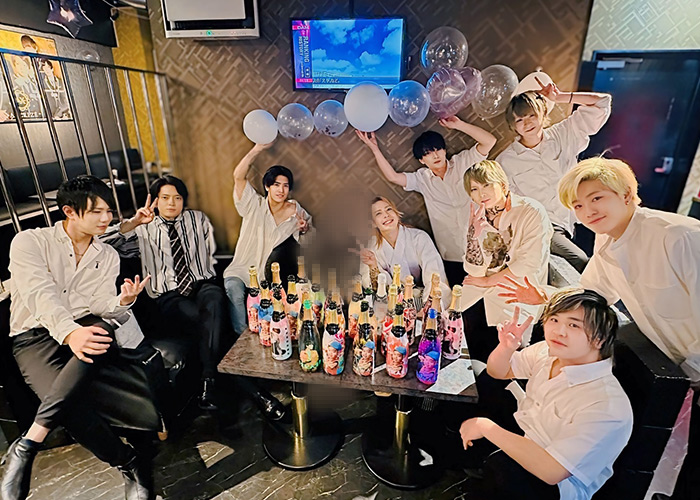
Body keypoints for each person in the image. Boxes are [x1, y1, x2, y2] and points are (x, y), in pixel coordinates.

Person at [498, 157, 700, 499]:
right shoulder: (607, 242)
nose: (587, 211)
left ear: (627, 195)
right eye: (578, 205)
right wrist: (543, 296)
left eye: (596, 198)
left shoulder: (680, 236)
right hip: (680, 374)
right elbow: (591, 294)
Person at [1, 176, 156, 500]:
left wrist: (122, 301)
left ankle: (27, 444)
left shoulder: (107, 255)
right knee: (67, 408)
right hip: (32, 336)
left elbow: (99, 304)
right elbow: (39, 294)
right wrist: (69, 332)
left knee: (102, 331)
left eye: (108, 211)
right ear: (69, 211)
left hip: (84, 323)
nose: (106, 218)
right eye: (96, 211)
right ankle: (129, 462)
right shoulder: (29, 242)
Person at [111, 175, 285, 419]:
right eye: (165, 198)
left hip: (201, 286)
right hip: (168, 296)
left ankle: (210, 383)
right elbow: (103, 242)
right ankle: (253, 393)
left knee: (214, 297)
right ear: (155, 201)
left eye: (177, 198)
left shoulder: (198, 219)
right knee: (211, 322)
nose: (172, 203)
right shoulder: (142, 230)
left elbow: (207, 258)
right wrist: (134, 222)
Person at [459, 289, 633, 500]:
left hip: (555, 484)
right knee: (478, 377)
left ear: (599, 339)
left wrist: (486, 427)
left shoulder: (607, 405)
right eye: (554, 319)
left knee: (506, 468)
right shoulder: (550, 352)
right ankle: (465, 462)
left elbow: (552, 471)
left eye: (574, 325)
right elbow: (498, 371)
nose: (559, 331)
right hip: (527, 429)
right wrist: (506, 347)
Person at [356, 116, 497, 286]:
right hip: (452, 254)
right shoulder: (422, 179)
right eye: (428, 153)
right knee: (460, 297)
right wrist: (374, 148)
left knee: (491, 293)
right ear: (422, 160)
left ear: (444, 150)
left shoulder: (463, 162)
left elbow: (489, 141)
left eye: (437, 149)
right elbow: (393, 177)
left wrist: (459, 124)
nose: (435, 155)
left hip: (483, 245)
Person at [496, 81, 612, 272]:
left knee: (608, 256)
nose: (527, 123)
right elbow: (505, 205)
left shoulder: (563, 133)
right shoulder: (505, 161)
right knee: (582, 262)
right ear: (513, 126)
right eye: (519, 120)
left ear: (542, 113)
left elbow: (602, 102)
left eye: (532, 115)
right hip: (539, 227)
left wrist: (560, 97)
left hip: (572, 219)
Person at [460, 160, 552, 361]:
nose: (481, 193)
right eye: (474, 189)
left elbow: (528, 263)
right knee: (455, 331)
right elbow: (474, 271)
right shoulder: (477, 215)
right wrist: (473, 236)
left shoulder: (531, 211)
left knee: (510, 352)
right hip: (480, 289)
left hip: (517, 288)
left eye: (487, 185)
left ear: (502, 184)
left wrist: (488, 281)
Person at [223, 142, 312, 336]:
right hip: (241, 270)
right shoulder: (253, 204)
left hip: (271, 279)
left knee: (275, 320)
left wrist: (305, 230)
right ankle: (242, 340)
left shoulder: (296, 211)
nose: (281, 190)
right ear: (267, 186)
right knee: (234, 292)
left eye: (285, 186)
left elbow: (310, 241)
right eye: (276, 185)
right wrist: (257, 149)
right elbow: (238, 176)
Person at [356, 196, 449, 301]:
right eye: (378, 213)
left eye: (389, 209)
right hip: (390, 301)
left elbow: (435, 275)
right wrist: (373, 266)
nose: (386, 215)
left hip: (422, 298)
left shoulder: (419, 238)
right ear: (373, 223)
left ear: (396, 213)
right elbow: (369, 283)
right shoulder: (371, 247)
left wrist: (428, 305)